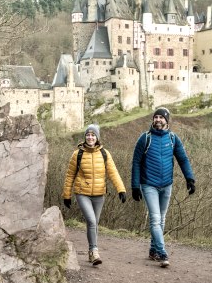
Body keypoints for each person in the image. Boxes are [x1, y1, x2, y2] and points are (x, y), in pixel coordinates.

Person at [131, 108, 195, 268]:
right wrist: (135, 186)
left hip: (167, 185)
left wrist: (190, 179)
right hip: (149, 185)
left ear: (167, 121)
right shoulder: (145, 138)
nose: (158, 120)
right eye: (156, 117)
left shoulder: (173, 139)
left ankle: (153, 250)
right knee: (155, 219)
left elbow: (183, 159)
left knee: (162, 219)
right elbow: (136, 162)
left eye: (161, 117)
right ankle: (162, 252)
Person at [62, 124, 127, 266]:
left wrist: (121, 190)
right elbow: (69, 176)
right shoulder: (77, 154)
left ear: (97, 137)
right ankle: (94, 251)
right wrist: (66, 195)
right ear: (85, 137)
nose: (90, 137)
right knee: (91, 221)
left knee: (94, 224)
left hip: (99, 194)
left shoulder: (105, 154)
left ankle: (91, 253)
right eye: (88, 135)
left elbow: (113, 172)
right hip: (82, 193)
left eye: (93, 135)